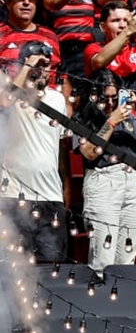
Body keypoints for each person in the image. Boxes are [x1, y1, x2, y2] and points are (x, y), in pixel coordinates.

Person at [76, 70, 136, 280]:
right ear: (95, 96)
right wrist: (111, 122)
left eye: (115, 97)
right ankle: (99, 308)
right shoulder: (86, 116)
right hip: (104, 179)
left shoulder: (130, 117)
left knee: (127, 259)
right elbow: (90, 152)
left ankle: (122, 306)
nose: (111, 103)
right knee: (103, 258)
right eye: (105, 98)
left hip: (133, 181)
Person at [0, 37, 70, 263]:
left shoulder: (58, 99)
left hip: (50, 196)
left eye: (46, 65)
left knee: (52, 268)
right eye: (35, 65)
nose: (41, 70)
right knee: (14, 269)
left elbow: (62, 153)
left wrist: (63, 194)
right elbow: (5, 102)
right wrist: (28, 66)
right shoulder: (10, 94)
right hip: (14, 196)